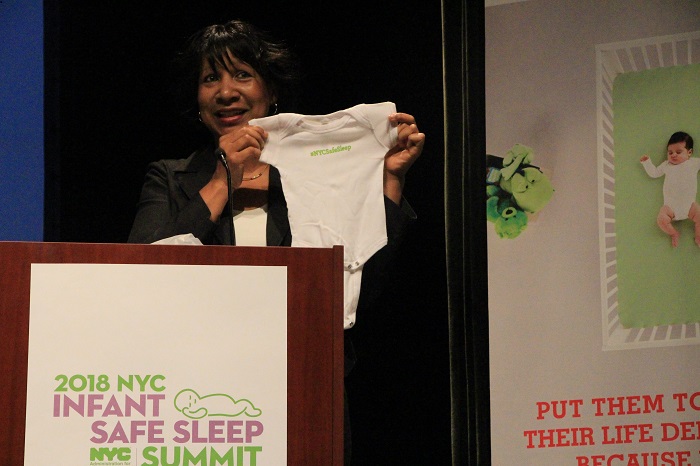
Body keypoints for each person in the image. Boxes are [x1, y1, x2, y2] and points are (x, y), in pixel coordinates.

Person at [127, 19, 425, 464]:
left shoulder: (319, 175)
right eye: (210, 79)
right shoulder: (170, 178)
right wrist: (222, 179)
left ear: (271, 90)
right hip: (195, 388)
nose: (226, 91)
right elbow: (137, 272)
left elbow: (360, 292)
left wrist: (389, 181)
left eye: (242, 75)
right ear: (197, 99)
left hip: (303, 383)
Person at [640, 131, 700, 247]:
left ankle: (698, 236)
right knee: (661, 220)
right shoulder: (666, 165)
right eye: (670, 152)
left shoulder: (694, 163)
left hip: (690, 206)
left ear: (689, 152)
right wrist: (647, 162)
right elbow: (654, 173)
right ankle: (673, 233)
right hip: (670, 208)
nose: (673, 155)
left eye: (678, 152)